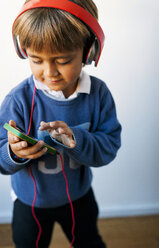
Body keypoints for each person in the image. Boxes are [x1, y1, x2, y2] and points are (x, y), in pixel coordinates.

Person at [0, 0, 121, 247]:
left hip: (79, 198)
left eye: (63, 61)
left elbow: (108, 148)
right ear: (23, 52)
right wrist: (13, 152)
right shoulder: (18, 99)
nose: (50, 72)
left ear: (89, 52)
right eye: (36, 60)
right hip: (29, 202)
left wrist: (76, 140)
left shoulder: (98, 95)